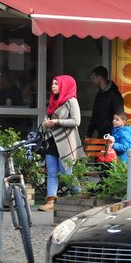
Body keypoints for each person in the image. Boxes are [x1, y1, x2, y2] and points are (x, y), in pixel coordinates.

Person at [39, 75, 85, 212]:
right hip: (51, 141)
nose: (53, 86)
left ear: (64, 86)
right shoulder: (53, 100)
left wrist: (58, 122)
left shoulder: (71, 101)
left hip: (65, 143)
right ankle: (51, 201)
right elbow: (47, 118)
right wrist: (46, 123)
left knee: (66, 172)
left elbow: (76, 121)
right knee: (52, 172)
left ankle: (81, 196)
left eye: (56, 84)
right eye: (52, 84)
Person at [86, 66, 124, 138]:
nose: (91, 79)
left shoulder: (115, 95)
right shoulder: (100, 94)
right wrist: (89, 134)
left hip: (111, 136)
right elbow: (95, 115)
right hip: (102, 134)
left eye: (93, 76)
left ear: (100, 77)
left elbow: (119, 115)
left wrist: (116, 135)